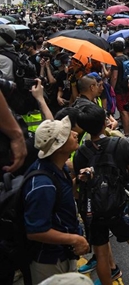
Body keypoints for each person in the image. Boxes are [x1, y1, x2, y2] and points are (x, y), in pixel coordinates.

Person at [72, 104, 129, 285]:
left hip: (94, 210)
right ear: (104, 123)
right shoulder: (120, 144)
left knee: (101, 253)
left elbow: (80, 185)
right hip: (119, 205)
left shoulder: (80, 153)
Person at [22, 117, 88, 283]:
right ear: (58, 148)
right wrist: (75, 239)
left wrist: (78, 181)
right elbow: (35, 231)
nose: (74, 134)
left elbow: (61, 197)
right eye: (67, 134)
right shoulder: (42, 186)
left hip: (64, 253)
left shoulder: (59, 167)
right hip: (49, 261)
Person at [110, 41, 129, 137]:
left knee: (123, 111)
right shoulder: (127, 57)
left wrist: (112, 88)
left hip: (119, 89)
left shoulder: (115, 60)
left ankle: (126, 133)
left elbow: (114, 77)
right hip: (128, 86)